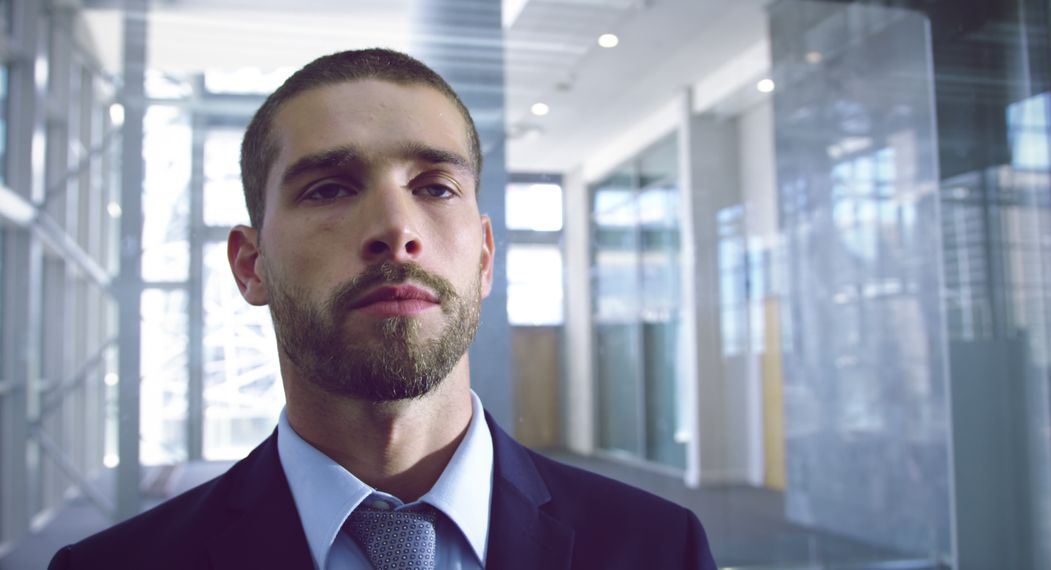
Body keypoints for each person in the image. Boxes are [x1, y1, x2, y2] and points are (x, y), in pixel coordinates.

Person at [48, 48, 716, 570]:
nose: (396, 229)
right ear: (251, 266)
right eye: (330, 188)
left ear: (485, 258)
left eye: (434, 186)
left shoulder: (661, 550)